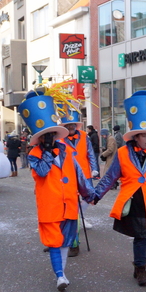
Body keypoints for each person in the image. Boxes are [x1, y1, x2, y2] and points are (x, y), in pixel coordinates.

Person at [93, 90, 146, 286]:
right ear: (136, 137)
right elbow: (110, 177)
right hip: (133, 201)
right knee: (140, 236)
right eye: (144, 136)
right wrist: (96, 195)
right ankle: (140, 269)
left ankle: (140, 266)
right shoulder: (123, 153)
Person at [18, 90, 96, 292]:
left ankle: (62, 273)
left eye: (51, 134)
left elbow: (78, 172)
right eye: (45, 136)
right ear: (39, 137)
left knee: (65, 242)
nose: (49, 138)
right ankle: (60, 276)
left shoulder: (66, 148)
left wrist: (89, 193)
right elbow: (43, 171)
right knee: (54, 241)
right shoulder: (34, 154)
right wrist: (48, 153)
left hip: (68, 201)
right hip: (50, 204)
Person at [59, 109, 99, 257]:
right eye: (68, 126)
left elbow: (90, 153)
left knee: (86, 201)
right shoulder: (59, 138)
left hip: (84, 175)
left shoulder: (84, 136)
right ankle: (70, 243)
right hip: (67, 176)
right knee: (67, 208)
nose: (71, 129)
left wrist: (94, 169)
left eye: (73, 126)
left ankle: (70, 236)